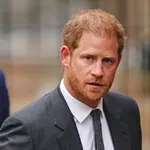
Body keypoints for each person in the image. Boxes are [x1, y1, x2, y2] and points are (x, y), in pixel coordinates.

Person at [0, 9, 142, 150]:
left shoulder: (127, 111)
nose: (98, 71)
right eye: (88, 58)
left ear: (118, 62)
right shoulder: (27, 129)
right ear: (65, 56)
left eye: (108, 61)